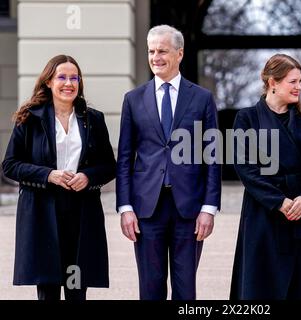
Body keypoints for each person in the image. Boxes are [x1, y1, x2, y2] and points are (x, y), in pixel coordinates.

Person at [116, 24, 221, 300]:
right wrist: (125, 207)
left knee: (185, 290)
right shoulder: (133, 99)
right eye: (151, 51)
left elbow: (213, 157)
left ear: (180, 54)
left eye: (162, 51)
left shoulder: (202, 98)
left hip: (189, 208)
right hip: (145, 208)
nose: (155, 57)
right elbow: (125, 158)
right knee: (150, 288)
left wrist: (209, 208)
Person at [2, 55, 116, 300]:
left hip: (81, 212)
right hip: (43, 214)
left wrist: (88, 176)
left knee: (76, 287)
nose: (69, 83)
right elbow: (10, 165)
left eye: (74, 78)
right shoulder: (30, 118)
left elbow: (109, 166)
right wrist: (48, 175)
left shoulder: (93, 120)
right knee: (49, 290)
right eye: (62, 77)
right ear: (49, 82)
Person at [230, 53, 301, 300]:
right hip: (264, 214)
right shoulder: (246, 119)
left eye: (300, 81)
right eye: (293, 81)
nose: (299, 87)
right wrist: (279, 201)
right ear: (272, 82)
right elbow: (245, 166)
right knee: (263, 287)